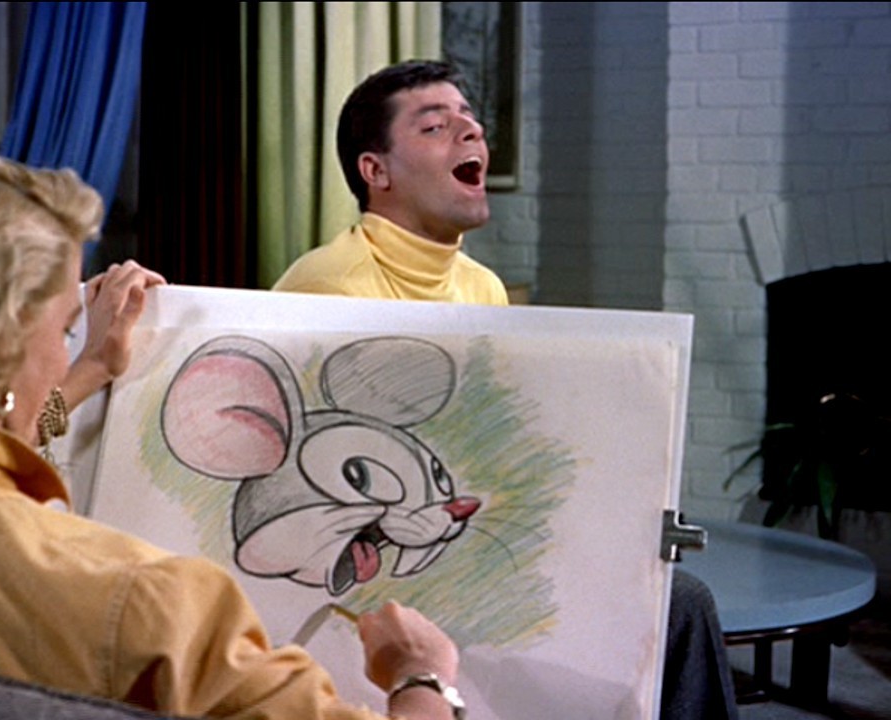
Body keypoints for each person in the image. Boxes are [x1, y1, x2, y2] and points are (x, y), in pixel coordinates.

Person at [0, 148, 467, 720]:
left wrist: (87, 371)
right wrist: (420, 677)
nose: (66, 348)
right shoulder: (145, 603)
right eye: (62, 328)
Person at [274, 61, 739, 720]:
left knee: (679, 596)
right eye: (435, 126)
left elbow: (493, 457)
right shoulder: (329, 285)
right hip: (385, 575)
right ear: (375, 171)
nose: (471, 132)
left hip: (469, 545)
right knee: (673, 606)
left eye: (470, 120)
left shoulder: (482, 286)